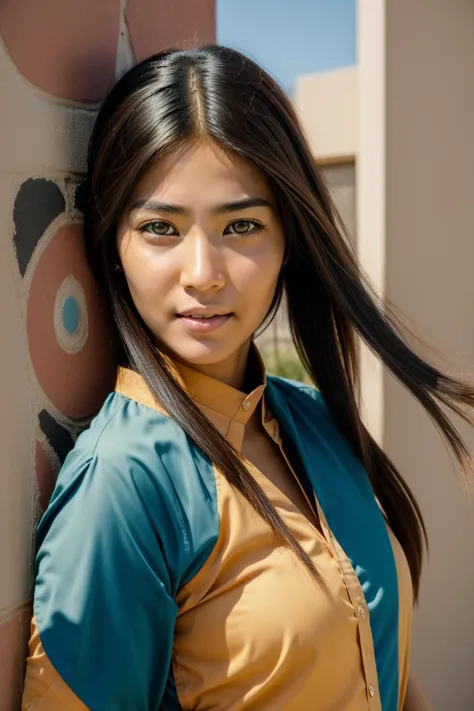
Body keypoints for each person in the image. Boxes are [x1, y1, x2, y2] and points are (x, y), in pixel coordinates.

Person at [22, 45, 469, 711]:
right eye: (160, 228)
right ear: (113, 243)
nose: (203, 271)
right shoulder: (124, 481)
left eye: (241, 225)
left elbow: (391, 677)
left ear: (290, 236)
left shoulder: (317, 421)